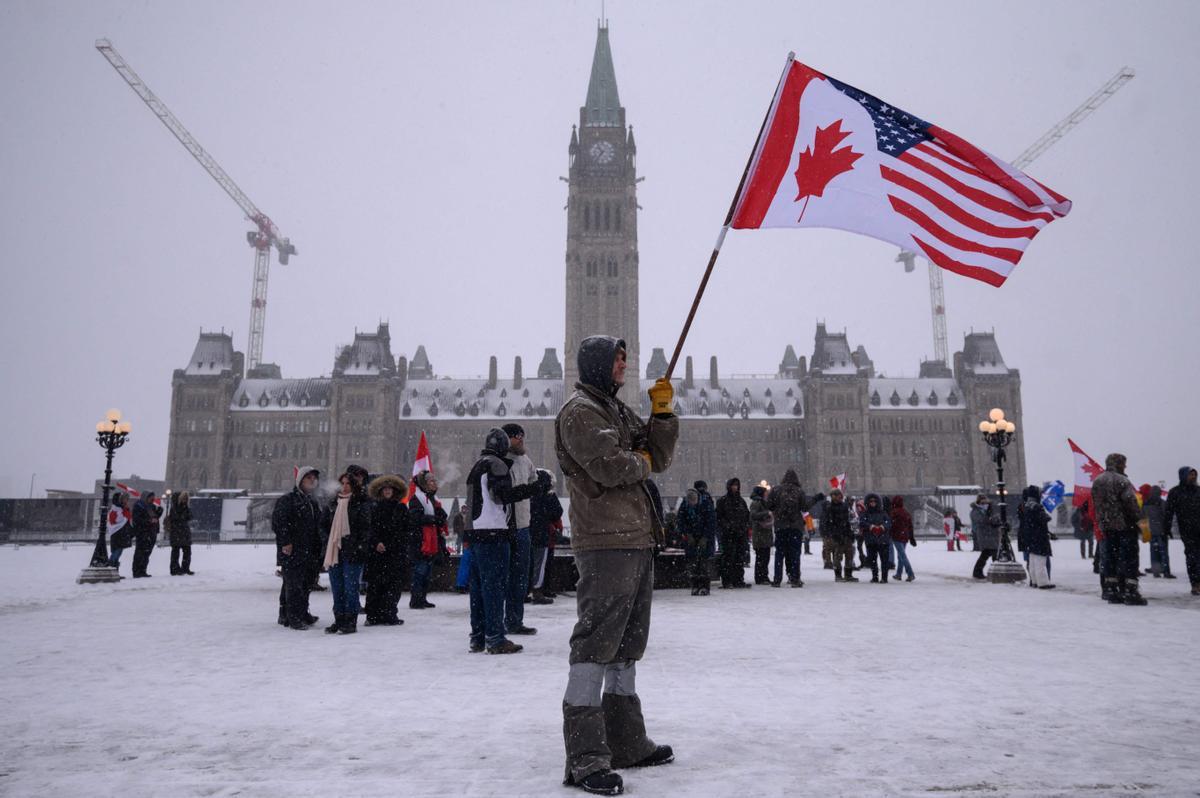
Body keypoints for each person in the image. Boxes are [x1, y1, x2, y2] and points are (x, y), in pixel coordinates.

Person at [556, 335, 678, 795]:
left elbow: (656, 457)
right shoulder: (580, 412)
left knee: (628, 644)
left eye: (626, 358)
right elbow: (612, 467)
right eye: (618, 360)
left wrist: (662, 414)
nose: (625, 365)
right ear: (598, 365)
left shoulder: (615, 410)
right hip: (605, 541)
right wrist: (641, 460)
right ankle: (585, 756)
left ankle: (626, 740)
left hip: (635, 537)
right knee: (594, 646)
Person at [464, 428, 548, 655]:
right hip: (494, 531)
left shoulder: (478, 464)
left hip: (476, 533)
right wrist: (533, 489)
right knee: (494, 587)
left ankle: (478, 637)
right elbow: (502, 496)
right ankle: (495, 638)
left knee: (479, 588)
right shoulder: (497, 464)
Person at [322, 467, 373, 634]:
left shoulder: (361, 503)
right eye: (342, 483)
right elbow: (323, 526)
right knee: (337, 588)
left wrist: (359, 548)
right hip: (334, 551)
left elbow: (365, 530)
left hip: (353, 552)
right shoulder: (332, 504)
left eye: (348, 483)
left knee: (351, 588)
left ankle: (350, 621)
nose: (344, 486)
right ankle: (339, 619)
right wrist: (326, 542)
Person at [1091, 453, 1146, 605]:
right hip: (1125, 525)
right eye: (1123, 463)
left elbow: (1097, 506)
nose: (1125, 466)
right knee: (1129, 558)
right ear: (1118, 464)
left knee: (1111, 559)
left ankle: (1111, 590)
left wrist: (1103, 522)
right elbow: (1131, 503)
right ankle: (1130, 591)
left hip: (1108, 526)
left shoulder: (1097, 481)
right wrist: (1140, 521)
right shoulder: (1122, 480)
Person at [272, 466, 322, 630]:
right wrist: (286, 542)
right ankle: (293, 617)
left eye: (313, 478)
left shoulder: (312, 502)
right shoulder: (288, 500)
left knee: (306, 583)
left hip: (309, 550)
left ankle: (301, 612)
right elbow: (279, 523)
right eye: (308, 478)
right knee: (294, 584)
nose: (312, 481)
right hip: (294, 550)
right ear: (300, 480)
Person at [501, 423, 539, 635]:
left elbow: (535, 480)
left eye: (522, 435)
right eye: (516, 436)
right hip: (503, 527)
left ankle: (515, 620)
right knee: (501, 577)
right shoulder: (498, 461)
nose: (520, 439)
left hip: (523, 526)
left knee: (520, 577)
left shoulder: (525, 460)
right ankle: (498, 622)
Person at [365, 474, 409, 626]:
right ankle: (373, 615)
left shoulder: (401, 508)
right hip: (377, 552)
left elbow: (405, 530)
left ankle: (390, 613)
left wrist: (393, 544)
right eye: (385, 489)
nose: (388, 491)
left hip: (395, 552)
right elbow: (370, 528)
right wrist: (376, 542)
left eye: (390, 488)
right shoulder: (374, 508)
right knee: (375, 584)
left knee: (393, 585)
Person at [766, 469, 819, 588]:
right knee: (795, 553)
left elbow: (769, 505)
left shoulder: (776, 490)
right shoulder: (799, 491)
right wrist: (815, 499)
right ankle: (795, 578)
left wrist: (777, 510)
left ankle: (777, 579)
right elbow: (805, 507)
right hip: (795, 526)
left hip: (781, 526)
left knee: (780, 554)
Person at [408, 470, 448, 611]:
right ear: (424, 484)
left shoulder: (432, 499)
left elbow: (441, 516)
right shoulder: (417, 499)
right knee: (420, 571)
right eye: (431, 481)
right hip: (421, 541)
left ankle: (422, 598)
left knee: (426, 572)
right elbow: (415, 519)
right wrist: (433, 520)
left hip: (430, 540)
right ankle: (416, 599)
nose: (434, 483)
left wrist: (438, 518)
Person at [1163, 466, 1200, 595]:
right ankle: (1195, 583)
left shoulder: (1198, 491)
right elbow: (1169, 512)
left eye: (1195, 475)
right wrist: (1166, 528)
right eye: (1191, 474)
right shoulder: (1175, 492)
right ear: (1183, 476)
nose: (1193, 477)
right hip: (1187, 530)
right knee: (1192, 557)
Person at [529, 469, 564, 605]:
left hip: (528, 533)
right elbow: (557, 512)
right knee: (540, 565)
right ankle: (537, 592)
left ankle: (524, 591)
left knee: (528, 564)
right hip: (541, 535)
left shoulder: (530, 494)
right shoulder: (547, 496)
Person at [715, 478, 751, 589]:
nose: (735, 487)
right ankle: (727, 580)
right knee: (728, 558)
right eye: (733, 485)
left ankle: (738, 580)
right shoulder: (723, 501)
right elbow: (719, 518)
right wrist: (728, 527)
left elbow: (746, 516)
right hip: (728, 534)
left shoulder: (741, 501)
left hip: (740, 534)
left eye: (737, 485)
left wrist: (744, 528)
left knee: (739, 558)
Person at [1018, 485, 1055, 589]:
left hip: (1030, 537)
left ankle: (1034, 580)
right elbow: (1045, 518)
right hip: (1039, 537)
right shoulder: (1036, 506)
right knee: (1040, 561)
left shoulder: (1025, 506)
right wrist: (1046, 514)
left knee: (1033, 560)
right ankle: (1043, 582)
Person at [821, 489, 856, 582]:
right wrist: (834, 534)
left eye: (840, 495)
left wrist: (850, 533)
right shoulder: (829, 508)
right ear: (833, 496)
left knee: (849, 554)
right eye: (838, 495)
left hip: (846, 534)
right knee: (837, 556)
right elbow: (828, 523)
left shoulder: (844, 506)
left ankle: (848, 574)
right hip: (836, 536)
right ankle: (838, 575)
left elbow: (846, 521)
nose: (840, 497)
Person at [676, 489, 707, 595]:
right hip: (691, 539)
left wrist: (704, 536)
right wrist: (687, 534)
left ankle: (704, 586)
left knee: (703, 564)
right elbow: (680, 521)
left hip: (702, 538)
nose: (692, 503)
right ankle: (695, 586)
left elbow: (710, 522)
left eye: (694, 501)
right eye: (691, 502)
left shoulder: (704, 505)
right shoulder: (684, 507)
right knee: (693, 564)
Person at [1140, 484, 1173, 579]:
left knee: (1153, 552)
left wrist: (1145, 532)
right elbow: (1166, 517)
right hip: (1161, 531)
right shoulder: (1162, 503)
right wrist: (1167, 530)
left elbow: (1142, 518)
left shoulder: (1145, 503)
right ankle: (1166, 572)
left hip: (1150, 532)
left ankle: (1156, 572)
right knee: (1164, 553)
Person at [858, 494, 892, 583]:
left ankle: (884, 577)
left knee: (884, 560)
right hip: (871, 540)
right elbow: (862, 522)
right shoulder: (865, 513)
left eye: (874, 501)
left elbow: (888, 523)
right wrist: (871, 527)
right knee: (872, 560)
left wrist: (882, 527)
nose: (873, 503)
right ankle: (875, 576)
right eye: (871, 501)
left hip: (883, 540)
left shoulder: (883, 513)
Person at [130, 492, 162, 578]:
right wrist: (149, 521)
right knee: (140, 552)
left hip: (151, 532)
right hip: (142, 532)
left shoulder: (152, 507)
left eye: (153, 497)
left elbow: (154, 518)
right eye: (151, 497)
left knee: (147, 553)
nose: (152, 499)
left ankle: (143, 570)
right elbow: (137, 520)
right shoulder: (139, 506)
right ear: (146, 497)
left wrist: (158, 513)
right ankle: (137, 571)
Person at [970, 494, 1001, 579]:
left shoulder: (990, 510)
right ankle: (997, 572)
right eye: (983, 502)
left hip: (992, 534)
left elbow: (996, 519)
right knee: (993, 553)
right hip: (984, 535)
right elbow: (980, 521)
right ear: (979, 502)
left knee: (987, 553)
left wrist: (995, 520)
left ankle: (978, 571)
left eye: (986, 502)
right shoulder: (975, 511)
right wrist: (990, 519)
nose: (985, 504)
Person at [749, 484, 774, 585]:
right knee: (761, 557)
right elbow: (753, 515)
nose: (766, 495)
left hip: (764, 534)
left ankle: (763, 576)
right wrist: (766, 514)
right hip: (760, 534)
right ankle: (760, 578)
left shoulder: (762, 503)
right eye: (765, 493)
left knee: (765, 557)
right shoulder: (757, 503)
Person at [166, 491, 194, 576]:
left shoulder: (186, 508)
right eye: (183, 498)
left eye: (186, 499)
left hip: (184, 532)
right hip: (177, 532)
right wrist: (184, 515)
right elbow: (177, 518)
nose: (185, 500)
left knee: (187, 551)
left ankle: (185, 568)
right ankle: (175, 569)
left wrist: (186, 512)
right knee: (176, 552)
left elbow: (190, 517)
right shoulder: (174, 508)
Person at [889, 496, 916, 582]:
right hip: (905, 536)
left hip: (897, 536)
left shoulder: (894, 513)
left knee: (902, 555)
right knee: (901, 555)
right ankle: (898, 574)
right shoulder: (906, 513)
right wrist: (911, 537)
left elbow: (891, 525)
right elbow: (910, 526)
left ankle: (910, 573)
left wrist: (889, 534)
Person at [106, 492, 133, 572]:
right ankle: (111, 569)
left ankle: (114, 570)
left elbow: (127, 517)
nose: (127, 501)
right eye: (125, 499)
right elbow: (118, 520)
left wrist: (126, 510)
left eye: (127, 499)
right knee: (116, 552)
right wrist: (126, 510)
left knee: (119, 551)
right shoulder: (116, 509)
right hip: (117, 533)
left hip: (121, 533)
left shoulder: (121, 508)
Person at [453, 504, 471, 593]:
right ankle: (463, 585)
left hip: (467, 538)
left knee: (465, 563)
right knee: (467, 562)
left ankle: (461, 584)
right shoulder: (463, 516)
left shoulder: (467, 516)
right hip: (469, 538)